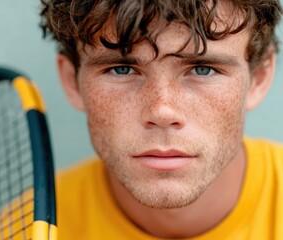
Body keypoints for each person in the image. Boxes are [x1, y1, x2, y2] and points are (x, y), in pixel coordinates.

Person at [40, 0, 283, 239]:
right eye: (121, 69)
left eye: (203, 69)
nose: (162, 112)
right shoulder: (22, 226)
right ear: (73, 81)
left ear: (258, 77)